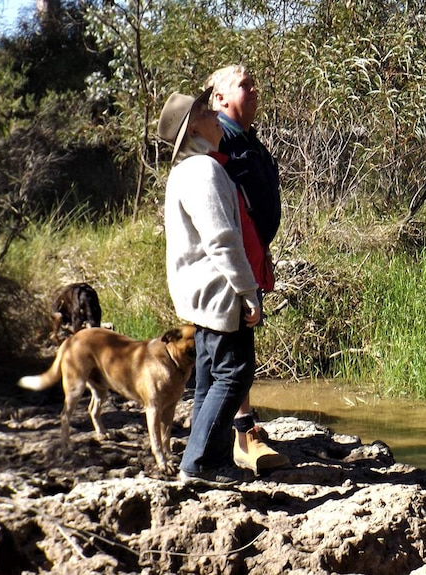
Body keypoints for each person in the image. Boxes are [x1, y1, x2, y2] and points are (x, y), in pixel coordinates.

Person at [157, 87, 262, 487]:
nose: (216, 113)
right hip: (218, 293)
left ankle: (207, 459)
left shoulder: (185, 171)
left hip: (198, 296)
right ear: (193, 127)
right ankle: (199, 463)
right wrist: (247, 291)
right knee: (235, 373)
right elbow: (221, 239)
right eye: (205, 109)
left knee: (210, 377)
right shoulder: (204, 171)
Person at [204, 65, 289, 473]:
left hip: (249, 252)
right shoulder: (218, 139)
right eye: (244, 86)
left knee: (237, 344)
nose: (254, 90)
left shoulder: (244, 138)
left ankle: (229, 434)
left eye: (255, 83)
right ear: (219, 99)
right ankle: (244, 437)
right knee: (235, 348)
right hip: (230, 258)